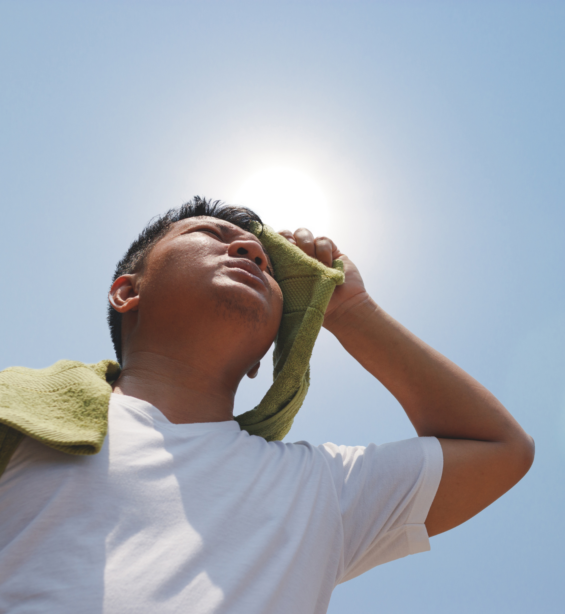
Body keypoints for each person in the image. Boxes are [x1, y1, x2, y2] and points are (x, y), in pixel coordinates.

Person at [0, 197, 534, 613]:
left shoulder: (318, 487)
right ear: (127, 292)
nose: (253, 252)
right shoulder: (21, 414)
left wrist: (353, 311)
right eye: (209, 234)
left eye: (269, 267)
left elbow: (500, 449)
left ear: (263, 357)